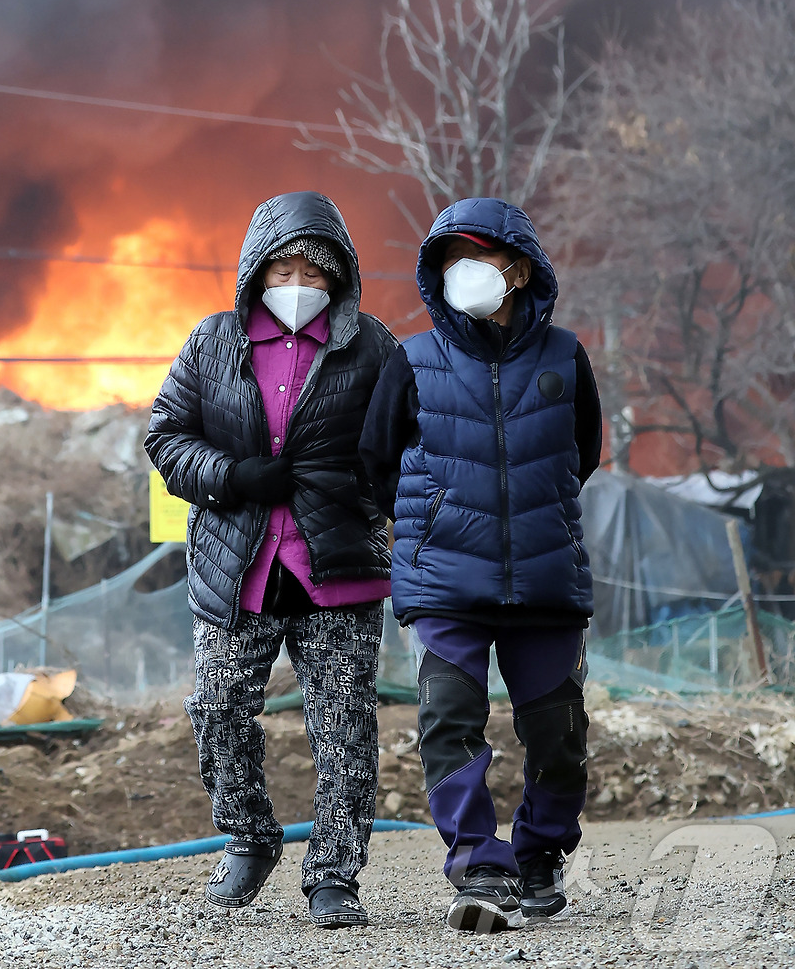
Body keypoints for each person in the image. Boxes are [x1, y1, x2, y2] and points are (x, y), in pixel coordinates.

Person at [145, 191, 397, 927]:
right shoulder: (212, 341)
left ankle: (334, 875)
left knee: (344, 724)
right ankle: (250, 836)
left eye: (313, 273)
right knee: (219, 709)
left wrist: (371, 497)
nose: (297, 283)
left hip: (339, 569)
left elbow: (402, 447)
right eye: (282, 267)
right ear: (256, 270)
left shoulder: (372, 347)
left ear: (338, 279)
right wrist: (231, 475)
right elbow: (167, 438)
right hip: (237, 567)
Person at [360, 197, 603, 935]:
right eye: (448, 258)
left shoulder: (565, 356)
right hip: (444, 584)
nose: (462, 272)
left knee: (559, 736)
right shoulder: (413, 359)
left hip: (545, 579)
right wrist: (432, 523)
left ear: (520, 269)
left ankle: (539, 855)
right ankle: (480, 862)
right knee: (449, 721)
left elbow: (581, 454)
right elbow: (375, 465)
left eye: (479, 255)